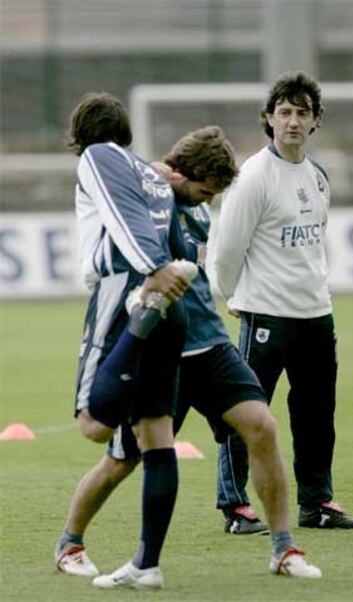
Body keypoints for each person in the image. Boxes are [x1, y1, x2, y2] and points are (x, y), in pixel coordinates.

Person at [55, 126, 322, 590]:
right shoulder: (145, 199)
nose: (207, 201)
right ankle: (70, 542)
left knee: (261, 425)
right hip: (165, 349)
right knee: (123, 458)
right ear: (179, 174)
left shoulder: (197, 208)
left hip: (210, 344)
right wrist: (154, 177)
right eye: (203, 191)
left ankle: (284, 548)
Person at [214, 71, 353, 531]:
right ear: (269, 118)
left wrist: (323, 296)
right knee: (245, 411)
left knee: (318, 414)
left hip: (315, 315)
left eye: (302, 113)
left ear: (316, 121)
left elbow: (316, 245)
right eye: (284, 112)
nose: (293, 121)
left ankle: (316, 503)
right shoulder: (254, 177)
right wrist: (235, 297)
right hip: (266, 314)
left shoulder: (317, 177)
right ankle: (235, 505)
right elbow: (228, 250)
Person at [66, 92, 199, 591]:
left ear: (81, 132)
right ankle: (147, 564)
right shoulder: (150, 172)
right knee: (155, 437)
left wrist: (153, 275)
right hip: (172, 306)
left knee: (92, 425)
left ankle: (141, 326)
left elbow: (130, 225)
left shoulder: (96, 157)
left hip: (129, 292)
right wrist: (174, 268)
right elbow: (180, 243)